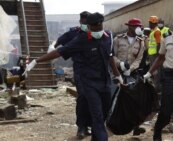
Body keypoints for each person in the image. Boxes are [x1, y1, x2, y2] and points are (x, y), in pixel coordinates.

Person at [23, 12, 123, 141]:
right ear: (89, 26)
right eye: (93, 27)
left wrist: (118, 76)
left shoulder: (108, 37)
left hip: (105, 83)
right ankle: (90, 131)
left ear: (102, 24)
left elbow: (110, 57)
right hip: (89, 83)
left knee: (103, 115)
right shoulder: (81, 39)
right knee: (97, 115)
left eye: (98, 27)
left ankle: (96, 136)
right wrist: (37, 61)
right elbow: (60, 51)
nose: (96, 30)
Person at [47, 11, 92, 139]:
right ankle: (81, 127)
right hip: (80, 69)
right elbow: (59, 41)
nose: (86, 25)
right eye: (84, 22)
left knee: (93, 98)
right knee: (82, 97)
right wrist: (52, 47)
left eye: (88, 23)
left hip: (94, 70)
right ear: (80, 22)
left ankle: (90, 125)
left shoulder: (96, 33)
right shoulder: (73, 33)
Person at [113, 18, 145, 135]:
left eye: (139, 26)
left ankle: (136, 126)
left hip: (131, 73)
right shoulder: (118, 39)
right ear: (129, 27)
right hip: (118, 72)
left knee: (135, 99)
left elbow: (139, 59)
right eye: (135, 26)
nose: (138, 28)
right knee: (117, 99)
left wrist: (130, 69)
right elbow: (112, 56)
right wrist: (120, 65)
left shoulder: (141, 42)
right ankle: (115, 123)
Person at [147, 16, 162, 93]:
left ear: (153, 23)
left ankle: (157, 90)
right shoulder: (153, 31)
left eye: (149, 22)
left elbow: (159, 44)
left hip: (155, 55)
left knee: (156, 72)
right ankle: (155, 88)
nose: (148, 24)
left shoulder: (157, 31)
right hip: (152, 55)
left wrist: (158, 56)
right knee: (153, 72)